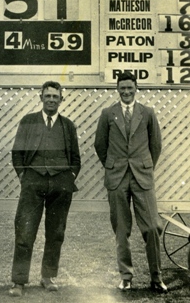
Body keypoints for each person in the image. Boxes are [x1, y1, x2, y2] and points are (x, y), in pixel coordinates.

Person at [94, 72, 167, 293]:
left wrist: (144, 166)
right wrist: (114, 165)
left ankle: (156, 277)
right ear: (117, 89)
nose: (126, 92)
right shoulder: (108, 114)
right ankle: (126, 276)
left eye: (130, 87)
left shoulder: (148, 113)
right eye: (122, 88)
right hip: (117, 178)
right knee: (121, 229)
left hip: (142, 177)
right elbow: (100, 145)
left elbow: (156, 145)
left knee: (152, 227)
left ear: (136, 88)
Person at [9, 81, 81, 297]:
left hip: (60, 185)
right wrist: (24, 176)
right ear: (41, 97)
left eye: (55, 96)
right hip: (33, 183)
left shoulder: (68, 125)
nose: (51, 99)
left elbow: (76, 158)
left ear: (61, 99)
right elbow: (17, 153)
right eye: (47, 96)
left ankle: (48, 276)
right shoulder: (28, 121)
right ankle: (19, 281)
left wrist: (69, 177)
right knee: (24, 232)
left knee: (56, 232)